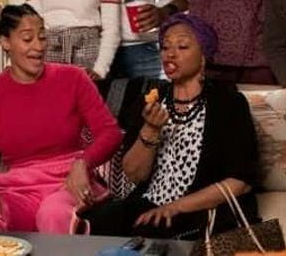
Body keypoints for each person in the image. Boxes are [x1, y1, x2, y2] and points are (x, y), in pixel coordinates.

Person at [81, 14, 260, 239]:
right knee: (93, 224)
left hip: (200, 208)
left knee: (148, 234)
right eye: (165, 47)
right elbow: (134, 175)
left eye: (182, 46)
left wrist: (174, 207)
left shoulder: (228, 102)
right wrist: (150, 130)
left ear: (203, 56)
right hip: (150, 202)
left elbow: (240, 182)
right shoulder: (151, 100)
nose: (170, 54)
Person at [0, 4, 122, 233]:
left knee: (52, 214)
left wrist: (83, 163)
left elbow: (110, 133)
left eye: (42, 38)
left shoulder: (73, 78)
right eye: (28, 39)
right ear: (5, 42)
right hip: (20, 187)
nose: (38, 46)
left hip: (68, 183)